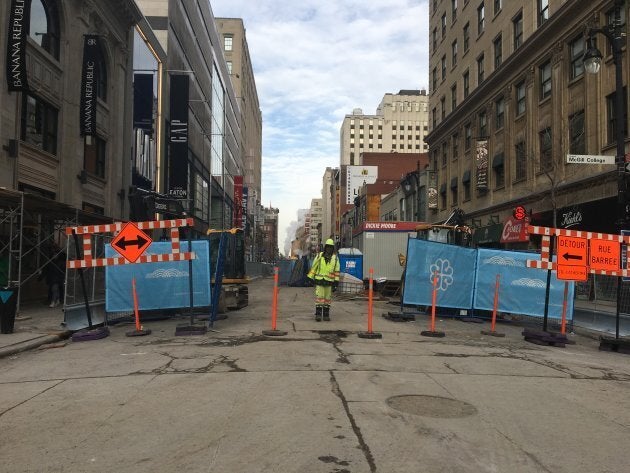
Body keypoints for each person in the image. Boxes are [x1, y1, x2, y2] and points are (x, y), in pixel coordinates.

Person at [307, 238, 340, 322]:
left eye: (330, 247)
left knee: (327, 299)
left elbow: (337, 271)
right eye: (328, 247)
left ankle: (326, 315)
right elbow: (314, 267)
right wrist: (310, 278)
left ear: (333, 248)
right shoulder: (319, 256)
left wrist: (336, 282)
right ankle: (318, 315)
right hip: (319, 281)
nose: (329, 248)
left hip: (329, 282)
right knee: (319, 298)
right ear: (325, 247)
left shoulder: (335, 258)